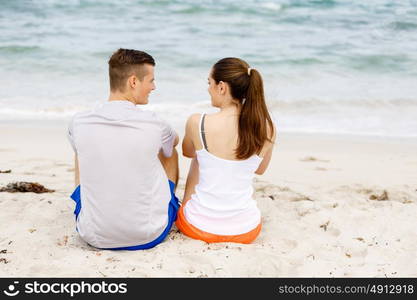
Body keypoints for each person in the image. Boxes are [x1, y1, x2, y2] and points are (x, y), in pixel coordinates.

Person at [67, 48, 179, 250]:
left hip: (93, 235)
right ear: (133, 82)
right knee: (169, 149)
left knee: (82, 150)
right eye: (151, 80)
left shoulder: (79, 121)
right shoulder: (156, 123)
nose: (154, 87)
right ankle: (166, 198)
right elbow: (174, 143)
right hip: (148, 234)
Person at [176, 57, 276, 244]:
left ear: (221, 87)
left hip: (197, 227)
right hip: (246, 230)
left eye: (209, 83)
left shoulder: (198, 122)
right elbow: (260, 169)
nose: (208, 89)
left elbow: (187, 152)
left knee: (199, 155)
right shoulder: (267, 128)